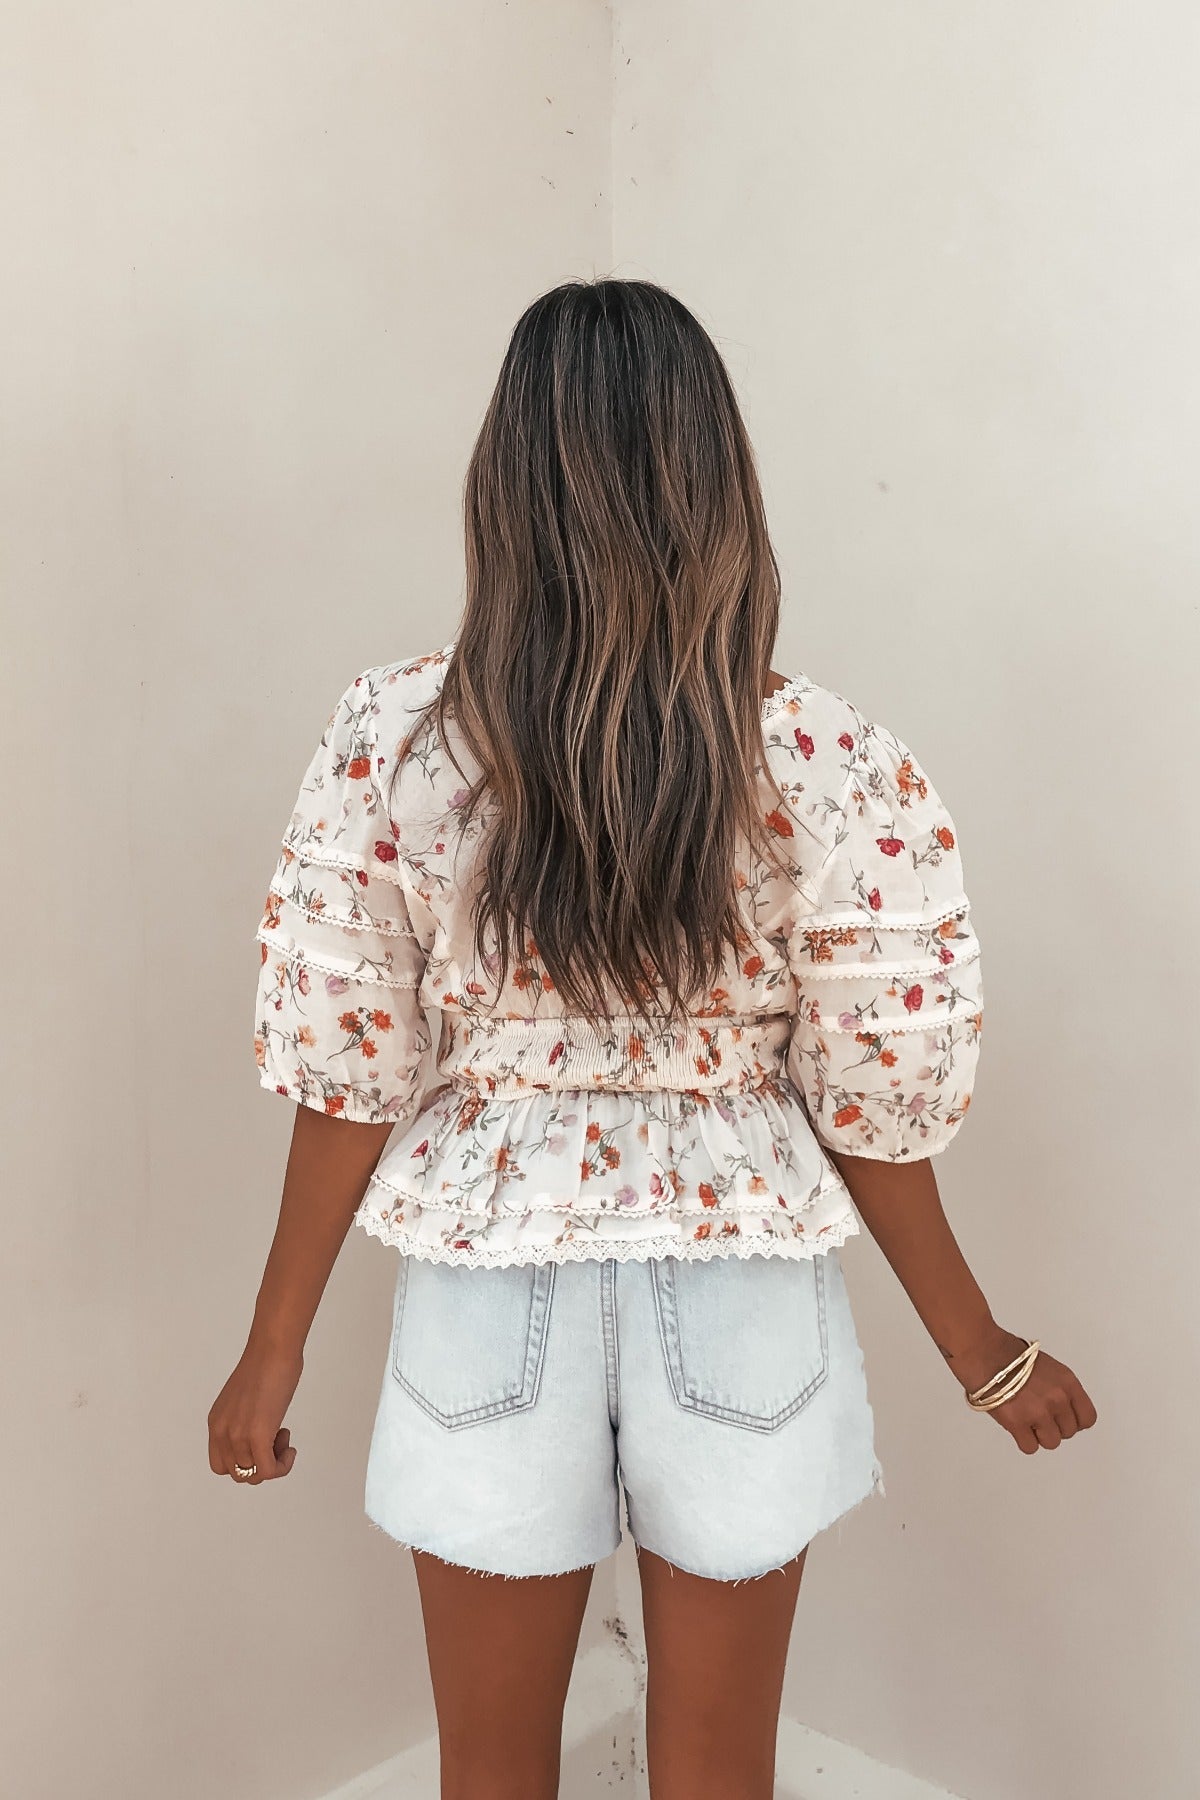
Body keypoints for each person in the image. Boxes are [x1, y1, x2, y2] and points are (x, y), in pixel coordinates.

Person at [208, 277, 1096, 1800]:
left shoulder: (400, 742)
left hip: (490, 1288)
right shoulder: (823, 758)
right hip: (740, 1277)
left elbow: (350, 1066)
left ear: (503, 486)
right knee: (715, 1770)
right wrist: (984, 1352)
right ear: (719, 487)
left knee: (486, 1772)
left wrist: (270, 1345)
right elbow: (875, 1102)